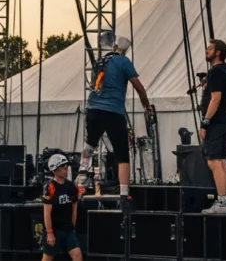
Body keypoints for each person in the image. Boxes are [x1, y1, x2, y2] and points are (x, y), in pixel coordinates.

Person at [76, 34, 153, 198]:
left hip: (93, 108)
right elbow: (138, 87)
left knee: (91, 141)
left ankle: (82, 173)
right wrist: (147, 106)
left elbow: (96, 86)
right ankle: (124, 193)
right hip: (113, 110)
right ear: (122, 50)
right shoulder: (123, 61)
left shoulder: (98, 62)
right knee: (122, 152)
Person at [199, 39, 226, 215]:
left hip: (215, 123)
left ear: (218, 52)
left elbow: (216, 98)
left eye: (210, 49)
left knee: (214, 161)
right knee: (221, 161)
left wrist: (205, 123)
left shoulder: (216, 72)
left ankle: (222, 201)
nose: (207, 51)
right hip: (224, 121)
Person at [41, 154, 82, 261]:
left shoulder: (71, 186)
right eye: (63, 168)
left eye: (66, 167)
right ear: (55, 170)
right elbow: (47, 213)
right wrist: (50, 233)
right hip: (55, 230)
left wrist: (73, 224)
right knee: (47, 258)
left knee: (77, 256)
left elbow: (74, 206)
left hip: (68, 230)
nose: (66, 170)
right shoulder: (50, 188)